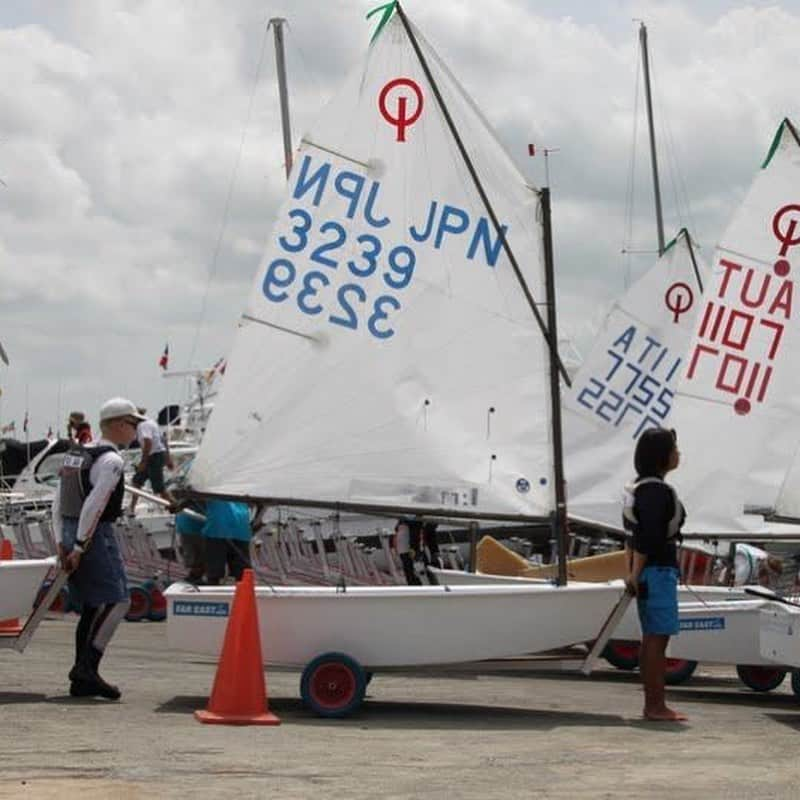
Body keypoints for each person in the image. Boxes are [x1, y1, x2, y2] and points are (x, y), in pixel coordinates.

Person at [52, 397, 145, 700]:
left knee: (94, 605)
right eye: (133, 424)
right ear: (118, 424)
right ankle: (86, 669)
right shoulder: (112, 460)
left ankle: (83, 674)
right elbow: (95, 504)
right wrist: (80, 545)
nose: (136, 431)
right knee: (117, 601)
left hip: (68, 531)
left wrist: (61, 541)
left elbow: (58, 499)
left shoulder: (76, 454)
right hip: (92, 536)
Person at [622, 426, 687, 722]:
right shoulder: (655, 492)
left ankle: (655, 704)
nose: (678, 453)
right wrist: (635, 575)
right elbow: (647, 538)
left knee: (652, 638)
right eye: (674, 449)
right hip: (657, 572)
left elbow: (631, 538)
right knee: (656, 640)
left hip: (651, 572)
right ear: (661, 456)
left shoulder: (640, 488)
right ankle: (655, 706)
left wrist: (632, 570)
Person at [128, 408, 174, 515]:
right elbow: (163, 440)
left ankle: (173, 504)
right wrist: (168, 459)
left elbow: (148, 442)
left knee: (158, 487)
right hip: (156, 455)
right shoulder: (152, 423)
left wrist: (143, 462)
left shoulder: (142, 425)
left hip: (154, 457)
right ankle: (131, 508)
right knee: (137, 481)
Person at [202, 499, 252, 585]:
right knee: (242, 573)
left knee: (214, 573)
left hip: (218, 529)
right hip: (241, 528)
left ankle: (212, 589)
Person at [175, 501, 206, 584]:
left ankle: (196, 575)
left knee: (195, 555)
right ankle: (196, 576)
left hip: (193, 526)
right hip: (191, 526)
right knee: (195, 556)